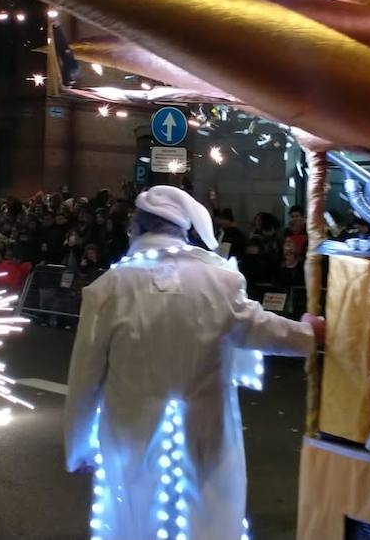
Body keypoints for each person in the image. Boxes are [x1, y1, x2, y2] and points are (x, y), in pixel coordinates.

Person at [64, 185, 324, 540]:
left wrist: (79, 447)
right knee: (205, 521)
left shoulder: (108, 289)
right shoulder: (219, 280)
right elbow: (262, 329)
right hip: (206, 434)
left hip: (130, 435)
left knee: (134, 522)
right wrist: (308, 334)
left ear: (137, 228)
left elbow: (85, 379)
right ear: (182, 230)